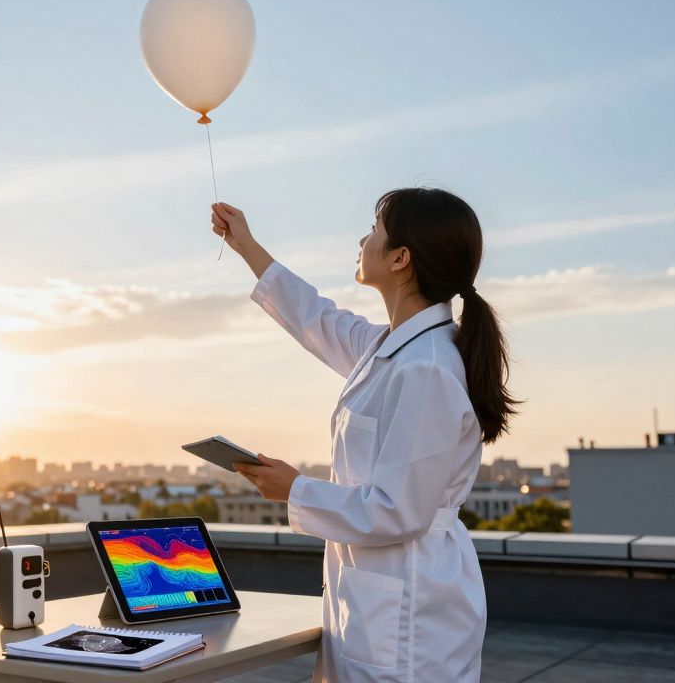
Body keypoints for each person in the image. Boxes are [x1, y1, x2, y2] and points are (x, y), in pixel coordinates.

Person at [210, 187, 519, 682]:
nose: (363, 239)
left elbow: (398, 510)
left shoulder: (428, 369)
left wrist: (295, 489)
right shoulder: (389, 348)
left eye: (374, 230)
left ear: (401, 258)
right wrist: (246, 244)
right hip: (376, 597)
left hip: (410, 609)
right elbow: (315, 318)